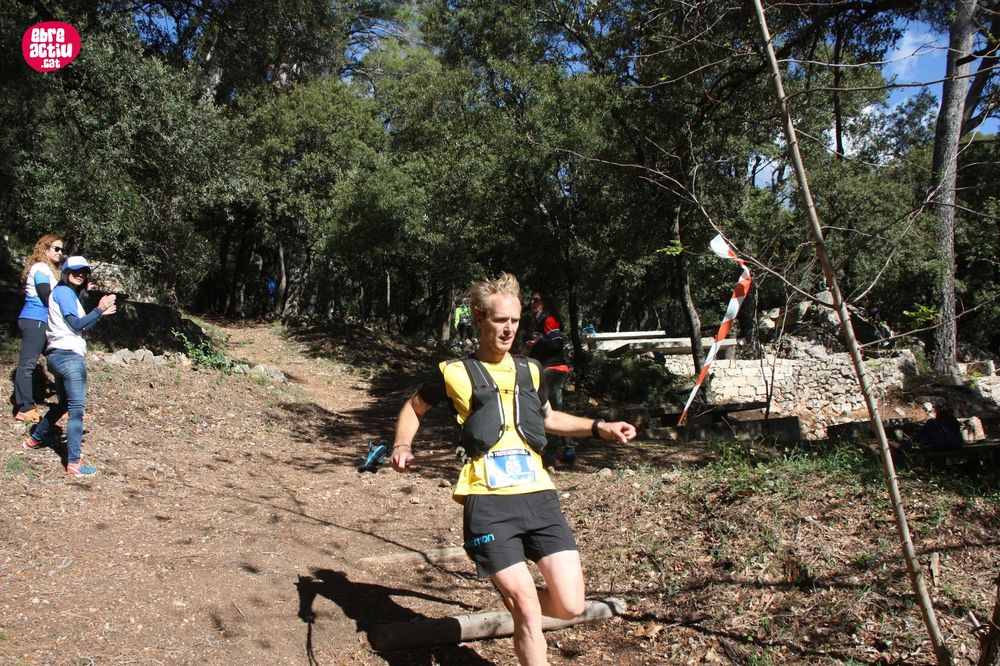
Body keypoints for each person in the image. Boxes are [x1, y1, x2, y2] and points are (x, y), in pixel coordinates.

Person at [389, 272, 636, 666]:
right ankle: (521, 604)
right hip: (488, 502)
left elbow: (547, 418)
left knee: (571, 605)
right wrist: (402, 444)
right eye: (500, 320)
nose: (509, 329)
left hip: (539, 497)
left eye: (515, 321)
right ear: (480, 318)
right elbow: (414, 407)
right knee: (526, 608)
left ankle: (520, 601)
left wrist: (598, 427)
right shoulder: (453, 371)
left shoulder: (530, 370)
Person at [23, 256, 117, 477]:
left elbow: (78, 329)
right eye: (76, 271)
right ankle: (74, 463)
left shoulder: (65, 294)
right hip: (69, 359)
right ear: (65, 272)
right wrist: (99, 309)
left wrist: (99, 314)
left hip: (56, 357)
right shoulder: (64, 292)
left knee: (64, 404)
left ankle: (34, 439)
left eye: (84, 271)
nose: (81, 274)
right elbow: (76, 324)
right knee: (76, 410)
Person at [12, 234, 64, 423]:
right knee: (27, 364)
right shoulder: (40, 267)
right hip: (35, 320)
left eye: (61, 249)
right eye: (56, 248)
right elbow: (46, 295)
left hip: (44, 322)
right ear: (45, 248)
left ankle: (64, 406)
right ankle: (25, 407)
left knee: (59, 362)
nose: (60, 252)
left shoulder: (49, 270)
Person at [524, 289, 575, 467]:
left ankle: (551, 452)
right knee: (556, 409)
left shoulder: (549, 320)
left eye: (536, 300)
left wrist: (540, 341)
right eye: (531, 300)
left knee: (550, 411)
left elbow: (557, 343)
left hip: (554, 370)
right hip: (547, 368)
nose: (532, 302)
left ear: (544, 303)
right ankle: (568, 450)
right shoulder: (538, 321)